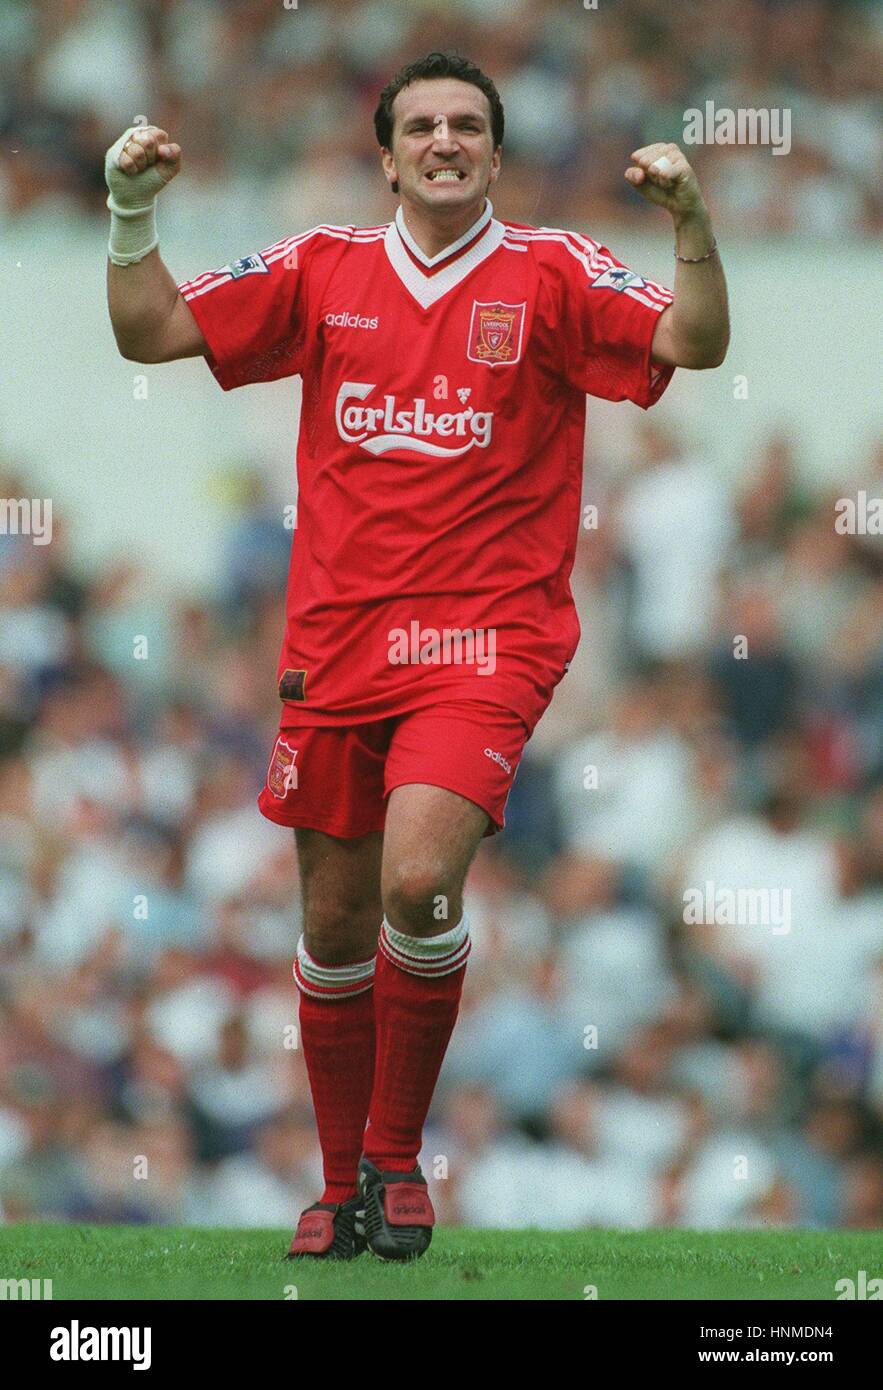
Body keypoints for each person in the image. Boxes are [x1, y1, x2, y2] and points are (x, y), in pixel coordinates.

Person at [104, 51, 729, 1262]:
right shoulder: (319, 268)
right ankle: (340, 1184)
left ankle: (396, 1157)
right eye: (422, 127)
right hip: (334, 648)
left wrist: (693, 223)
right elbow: (150, 331)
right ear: (387, 154)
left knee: (414, 882)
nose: (445, 142)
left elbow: (694, 343)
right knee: (336, 927)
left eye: (468, 127)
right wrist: (133, 208)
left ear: (496, 152)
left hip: (484, 644)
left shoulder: (552, 273)